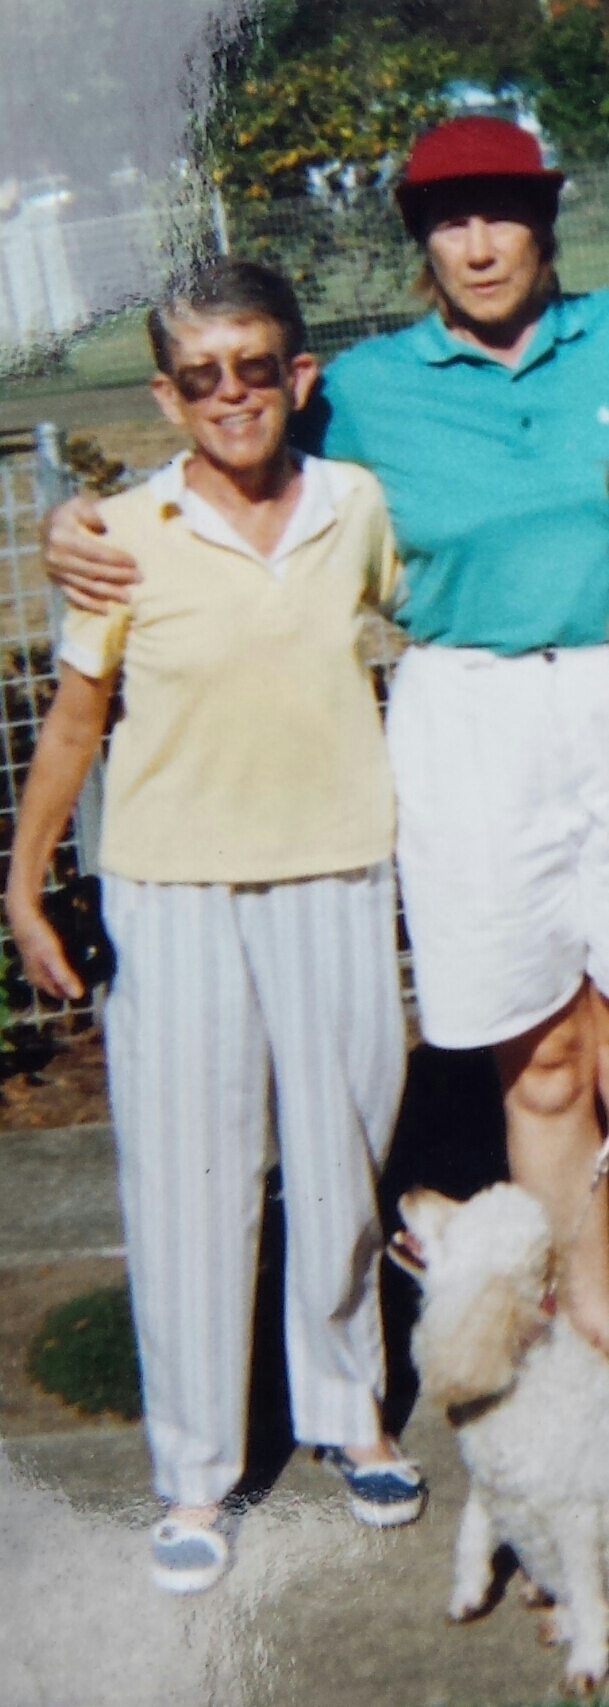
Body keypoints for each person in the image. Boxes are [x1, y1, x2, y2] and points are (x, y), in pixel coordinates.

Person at [43, 117, 609, 1361]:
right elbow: (222, 449)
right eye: (449, 222)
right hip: (476, 711)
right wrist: (74, 520)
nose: (478, 246)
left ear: (545, 222)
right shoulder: (368, 389)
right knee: (547, 1061)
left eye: (502, 214)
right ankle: (587, 1329)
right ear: (420, 243)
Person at [7, 260, 425, 1596]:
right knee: (191, 1178)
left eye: (255, 366)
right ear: (166, 395)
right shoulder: (120, 534)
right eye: (202, 376)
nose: (231, 395)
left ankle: (350, 1411)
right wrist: (24, 882)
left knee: (343, 1154)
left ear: (299, 375)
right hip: (172, 888)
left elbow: (438, 620)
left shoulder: (357, 506)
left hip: (337, 869)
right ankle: (194, 1471)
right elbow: (76, 719)